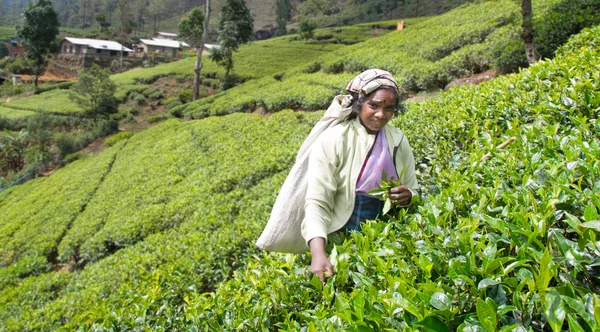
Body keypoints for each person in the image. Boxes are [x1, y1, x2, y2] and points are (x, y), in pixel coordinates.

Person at [301, 69, 419, 282]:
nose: (381, 114)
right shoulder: (334, 140)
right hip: (341, 236)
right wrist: (318, 254)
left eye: (389, 108)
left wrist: (408, 195)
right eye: (373, 105)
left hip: (386, 240)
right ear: (359, 104)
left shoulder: (398, 141)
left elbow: (414, 188)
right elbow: (318, 202)